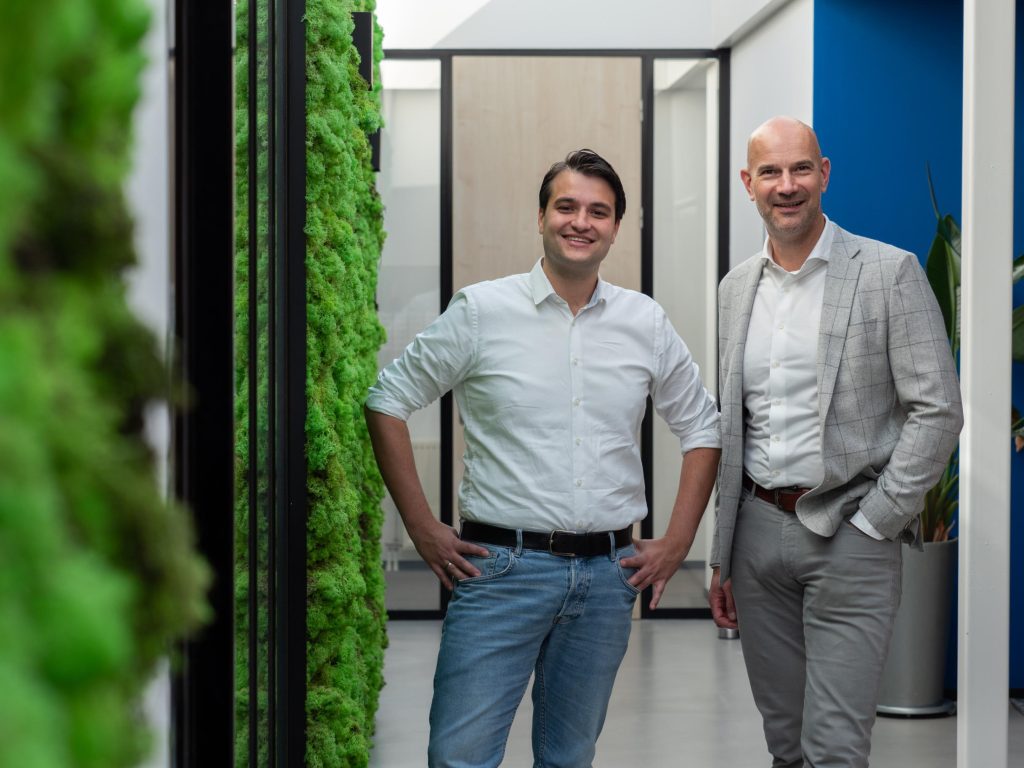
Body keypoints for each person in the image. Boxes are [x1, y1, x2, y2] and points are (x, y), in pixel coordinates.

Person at [366, 148, 720, 768]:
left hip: (609, 578)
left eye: (599, 212)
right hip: (500, 571)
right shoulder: (481, 312)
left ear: (615, 227)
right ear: (541, 217)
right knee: (460, 756)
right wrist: (421, 528)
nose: (581, 221)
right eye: (567, 206)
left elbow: (702, 427)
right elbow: (387, 399)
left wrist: (678, 539)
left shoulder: (645, 322)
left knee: (569, 757)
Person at [708, 116, 963, 767]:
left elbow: (937, 410)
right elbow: (732, 427)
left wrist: (877, 523)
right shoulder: (735, 290)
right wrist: (723, 552)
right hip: (758, 536)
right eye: (770, 171)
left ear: (824, 174)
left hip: (850, 534)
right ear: (749, 182)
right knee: (787, 743)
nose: (786, 185)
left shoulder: (889, 272)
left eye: (800, 169)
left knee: (835, 748)